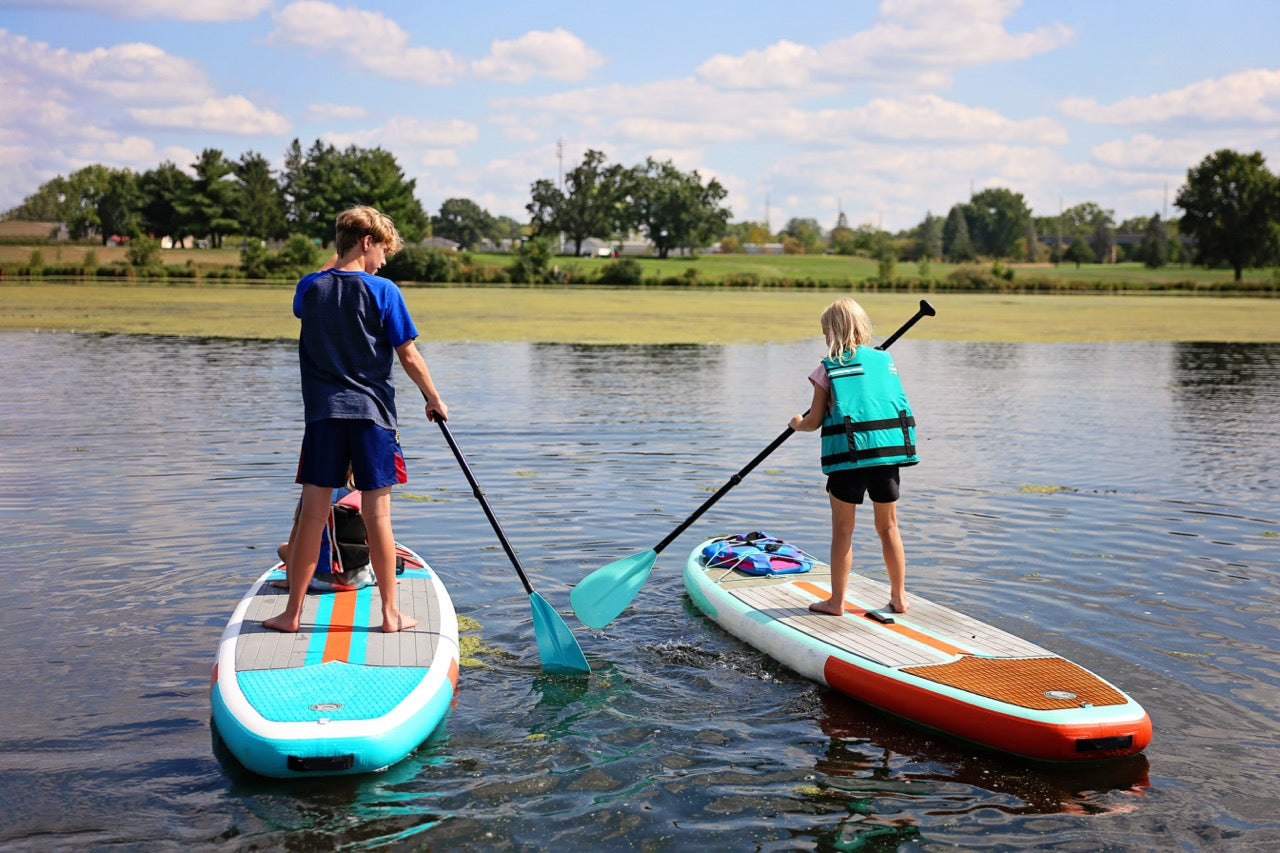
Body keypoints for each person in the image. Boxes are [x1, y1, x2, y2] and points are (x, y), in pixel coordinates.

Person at [263, 205, 447, 634]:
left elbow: (327, 274)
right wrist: (433, 398)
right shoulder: (385, 293)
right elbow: (408, 354)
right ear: (367, 242)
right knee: (377, 516)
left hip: (324, 418)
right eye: (382, 249)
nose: (384, 261)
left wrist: (342, 254)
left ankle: (292, 615)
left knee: (312, 516)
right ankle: (390, 615)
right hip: (371, 419)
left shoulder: (310, 289)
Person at [788, 297, 918, 616]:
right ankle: (899, 598)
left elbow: (815, 420)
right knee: (888, 527)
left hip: (848, 461)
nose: (824, 338)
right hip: (886, 458)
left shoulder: (827, 368)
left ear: (833, 331)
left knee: (843, 530)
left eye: (824, 332)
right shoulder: (884, 361)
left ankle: (836, 602)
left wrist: (796, 424)